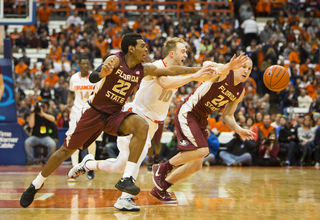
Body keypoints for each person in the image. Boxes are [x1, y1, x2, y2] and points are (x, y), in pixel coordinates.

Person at [20, 33, 214, 208]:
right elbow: (95, 77)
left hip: (114, 115)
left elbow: (171, 72)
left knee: (141, 125)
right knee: (65, 151)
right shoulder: (114, 59)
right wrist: (101, 73)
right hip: (94, 113)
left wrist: (199, 71)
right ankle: (35, 184)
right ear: (131, 48)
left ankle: (127, 180)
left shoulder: (142, 69)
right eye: (142, 46)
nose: (146, 49)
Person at [151, 55, 255, 200]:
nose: (246, 70)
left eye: (249, 68)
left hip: (202, 119)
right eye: (244, 66)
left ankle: (160, 189)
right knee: (203, 150)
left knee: (196, 165)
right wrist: (228, 66)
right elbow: (207, 63)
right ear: (236, 66)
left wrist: (238, 129)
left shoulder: (240, 91)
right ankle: (162, 168)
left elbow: (227, 116)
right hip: (189, 111)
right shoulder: (225, 72)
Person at [66, 55, 96, 181]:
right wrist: (68, 103)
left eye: (87, 63)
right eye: (82, 63)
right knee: (73, 138)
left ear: (89, 65)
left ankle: (91, 168)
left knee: (92, 140)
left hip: (91, 110)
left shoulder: (94, 77)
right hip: (77, 110)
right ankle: (74, 168)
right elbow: (70, 92)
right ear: (78, 65)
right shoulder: (74, 78)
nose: (85, 65)